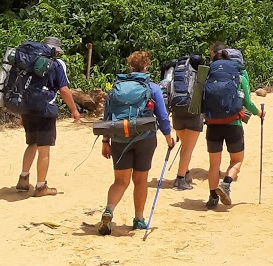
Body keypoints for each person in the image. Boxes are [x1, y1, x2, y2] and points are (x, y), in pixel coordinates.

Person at [98, 51, 174, 235]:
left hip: (118, 137)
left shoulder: (116, 87)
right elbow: (162, 116)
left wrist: (105, 141)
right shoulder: (152, 87)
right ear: (147, 66)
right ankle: (139, 219)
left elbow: (107, 116)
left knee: (120, 181)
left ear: (130, 66)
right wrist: (168, 137)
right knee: (140, 181)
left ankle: (109, 210)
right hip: (144, 137)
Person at [14, 37, 83, 197]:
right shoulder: (56, 65)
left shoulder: (29, 63)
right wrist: (74, 110)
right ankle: (41, 187)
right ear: (55, 51)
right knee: (44, 149)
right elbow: (64, 90)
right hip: (45, 110)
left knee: (32, 144)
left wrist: (22, 114)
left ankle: (23, 179)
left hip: (28, 108)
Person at [201, 43, 263, 210]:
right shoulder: (239, 77)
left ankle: (213, 197)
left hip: (212, 124)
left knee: (214, 164)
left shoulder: (206, 76)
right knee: (237, 160)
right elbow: (248, 103)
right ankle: (226, 184)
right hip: (233, 124)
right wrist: (259, 114)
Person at [159, 52, 206, 190]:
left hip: (176, 109)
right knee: (188, 148)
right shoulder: (197, 69)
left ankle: (185, 173)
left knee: (185, 146)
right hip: (193, 110)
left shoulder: (172, 69)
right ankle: (180, 180)